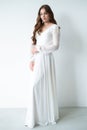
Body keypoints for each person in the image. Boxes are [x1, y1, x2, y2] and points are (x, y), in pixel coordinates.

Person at [25, 4, 60, 128]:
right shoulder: (38, 28)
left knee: (38, 86)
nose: (43, 16)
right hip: (38, 60)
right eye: (41, 14)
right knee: (34, 87)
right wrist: (31, 59)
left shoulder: (54, 27)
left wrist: (40, 48)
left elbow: (56, 46)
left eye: (45, 13)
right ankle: (36, 117)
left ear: (50, 13)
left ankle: (46, 116)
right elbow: (33, 45)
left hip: (47, 59)